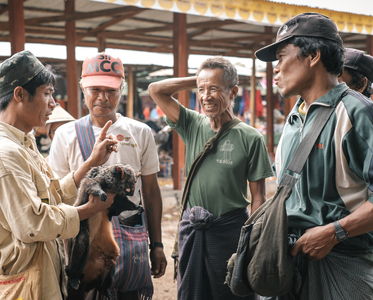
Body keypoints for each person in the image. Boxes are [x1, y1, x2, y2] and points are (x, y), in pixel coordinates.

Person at [0, 50, 119, 299]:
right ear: (20, 94)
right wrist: (88, 210)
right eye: (47, 94)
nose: (54, 103)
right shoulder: (3, 153)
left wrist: (91, 162)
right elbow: (33, 223)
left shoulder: (23, 143)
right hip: (24, 286)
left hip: (39, 277)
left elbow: (52, 194)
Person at [255, 12, 373, 299]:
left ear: (313, 55)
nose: (275, 70)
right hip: (289, 262)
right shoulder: (295, 117)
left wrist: (334, 233)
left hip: (343, 262)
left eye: (282, 57)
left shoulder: (356, 112)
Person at [148, 56, 273, 299]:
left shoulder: (251, 138)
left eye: (214, 88)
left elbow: (259, 197)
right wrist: (198, 79)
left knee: (232, 293)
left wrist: (253, 242)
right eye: (201, 90)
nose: (206, 96)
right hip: (193, 230)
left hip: (230, 232)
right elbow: (156, 90)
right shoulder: (191, 123)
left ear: (233, 91)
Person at [50, 52, 167, 300]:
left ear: (122, 89)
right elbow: (57, 196)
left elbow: (150, 192)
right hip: (82, 248)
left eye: (111, 90)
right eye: (95, 89)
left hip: (129, 243)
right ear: (83, 87)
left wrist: (156, 245)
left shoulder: (141, 132)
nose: (103, 97)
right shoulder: (65, 135)